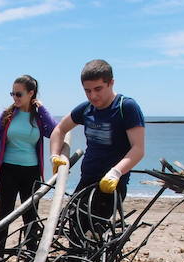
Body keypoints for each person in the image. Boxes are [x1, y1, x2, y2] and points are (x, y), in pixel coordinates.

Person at [49, 59, 145, 242]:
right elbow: (59, 130)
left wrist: (116, 172)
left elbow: (138, 149)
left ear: (111, 83)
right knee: (73, 227)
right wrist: (55, 155)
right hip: (87, 179)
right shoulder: (86, 109)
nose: (93, 96)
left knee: (94, 236)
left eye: (98, 89)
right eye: (87, 90)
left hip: (111, 185)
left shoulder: (126, 107)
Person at [0, 75, 57, 253]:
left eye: (19, 94)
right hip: (8, 170)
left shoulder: (38, 117)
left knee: (31, 216)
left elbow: (54, 131)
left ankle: (31, 253)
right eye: (12, 94)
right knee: (4, 214)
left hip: (32, 172)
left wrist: (43, 109)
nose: (15, 98)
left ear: (31, 93)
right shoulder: (7, 115)